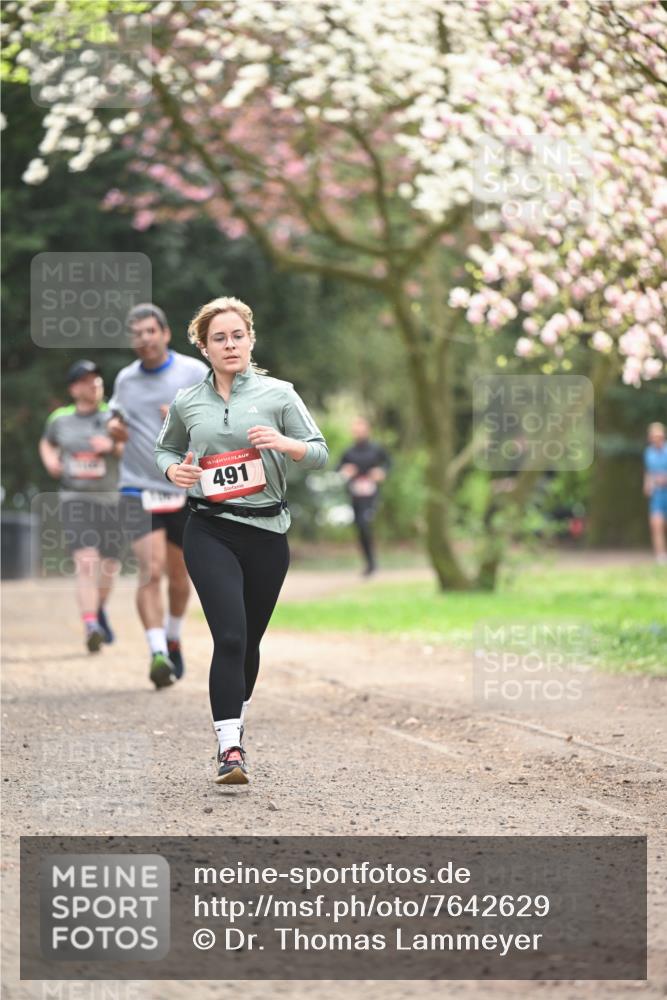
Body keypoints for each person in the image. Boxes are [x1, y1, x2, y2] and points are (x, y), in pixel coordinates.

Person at [154, 295, 328, 785]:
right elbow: (164, 447)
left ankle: (235, 716)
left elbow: (318, 452)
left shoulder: (279, 395)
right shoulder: (189, 401)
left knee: (249, 640)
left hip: (268, 532)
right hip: (209, 528)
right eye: (219, 339)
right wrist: (174, 469)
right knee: (228, 635)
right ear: (204, 347)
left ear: (250, 340)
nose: (229, 345)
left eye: (237, 336)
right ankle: (230, 748)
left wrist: (285, 444)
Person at [107, 303, 208, 689]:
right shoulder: (126, 380)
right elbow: (115, 417)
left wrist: (184, 419)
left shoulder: (193, 372)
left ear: (165, 334)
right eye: (137, 333)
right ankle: (156, 653)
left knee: (180, 576)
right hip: (136, 486)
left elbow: (218, 419)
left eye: (151, 331)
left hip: (183, 487)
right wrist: (115, 430)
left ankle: (173, 635)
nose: (145, 339)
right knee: (149, 571)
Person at [39, 360, 123, 652]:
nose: (95, 384)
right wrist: (50, 459)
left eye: (97, 379)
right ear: (74, 388)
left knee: (110, 568)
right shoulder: (60, 419)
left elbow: (134, 448)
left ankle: (98, 611)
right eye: (87, 380)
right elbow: (47, 443)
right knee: (86, 562)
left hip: (112, 499)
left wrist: (112, 447)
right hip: (75, 498)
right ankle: (90, 625)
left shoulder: (114, 415)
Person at [337, 416, 391, 576]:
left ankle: (372, 562)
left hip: (371, 495)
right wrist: (346, 470)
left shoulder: (376, 449)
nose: (359, 432)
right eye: (356, 429)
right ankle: (369, 563)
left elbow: (389, 463)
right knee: (360, 527)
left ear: (368, 430)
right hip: (355, 496)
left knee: (364, 523)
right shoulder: (349, 451)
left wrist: (382, 472)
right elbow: (338, 467)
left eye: (361, 428)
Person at [643, 421, 667, 565]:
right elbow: (648, 472)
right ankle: (660, 556)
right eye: (654, 436)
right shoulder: (648, 453)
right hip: (657, 495)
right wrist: (647, 484)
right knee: (656, 524)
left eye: (659, 435)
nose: (657, 438)